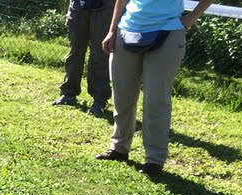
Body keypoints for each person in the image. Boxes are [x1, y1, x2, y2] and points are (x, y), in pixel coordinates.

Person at [95, 0, 215, 177]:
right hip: (126, 29)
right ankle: (119, 148)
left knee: (155, 100)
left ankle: (154, 159)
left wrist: (192, 18)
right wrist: (112, 30)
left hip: (167, 33)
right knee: (122, 96)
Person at [52, 0, 115, 116]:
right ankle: (68, 93)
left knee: (99, 54)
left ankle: (99, 99)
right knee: (75, 52)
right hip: (79, 5)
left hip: (104, 6)